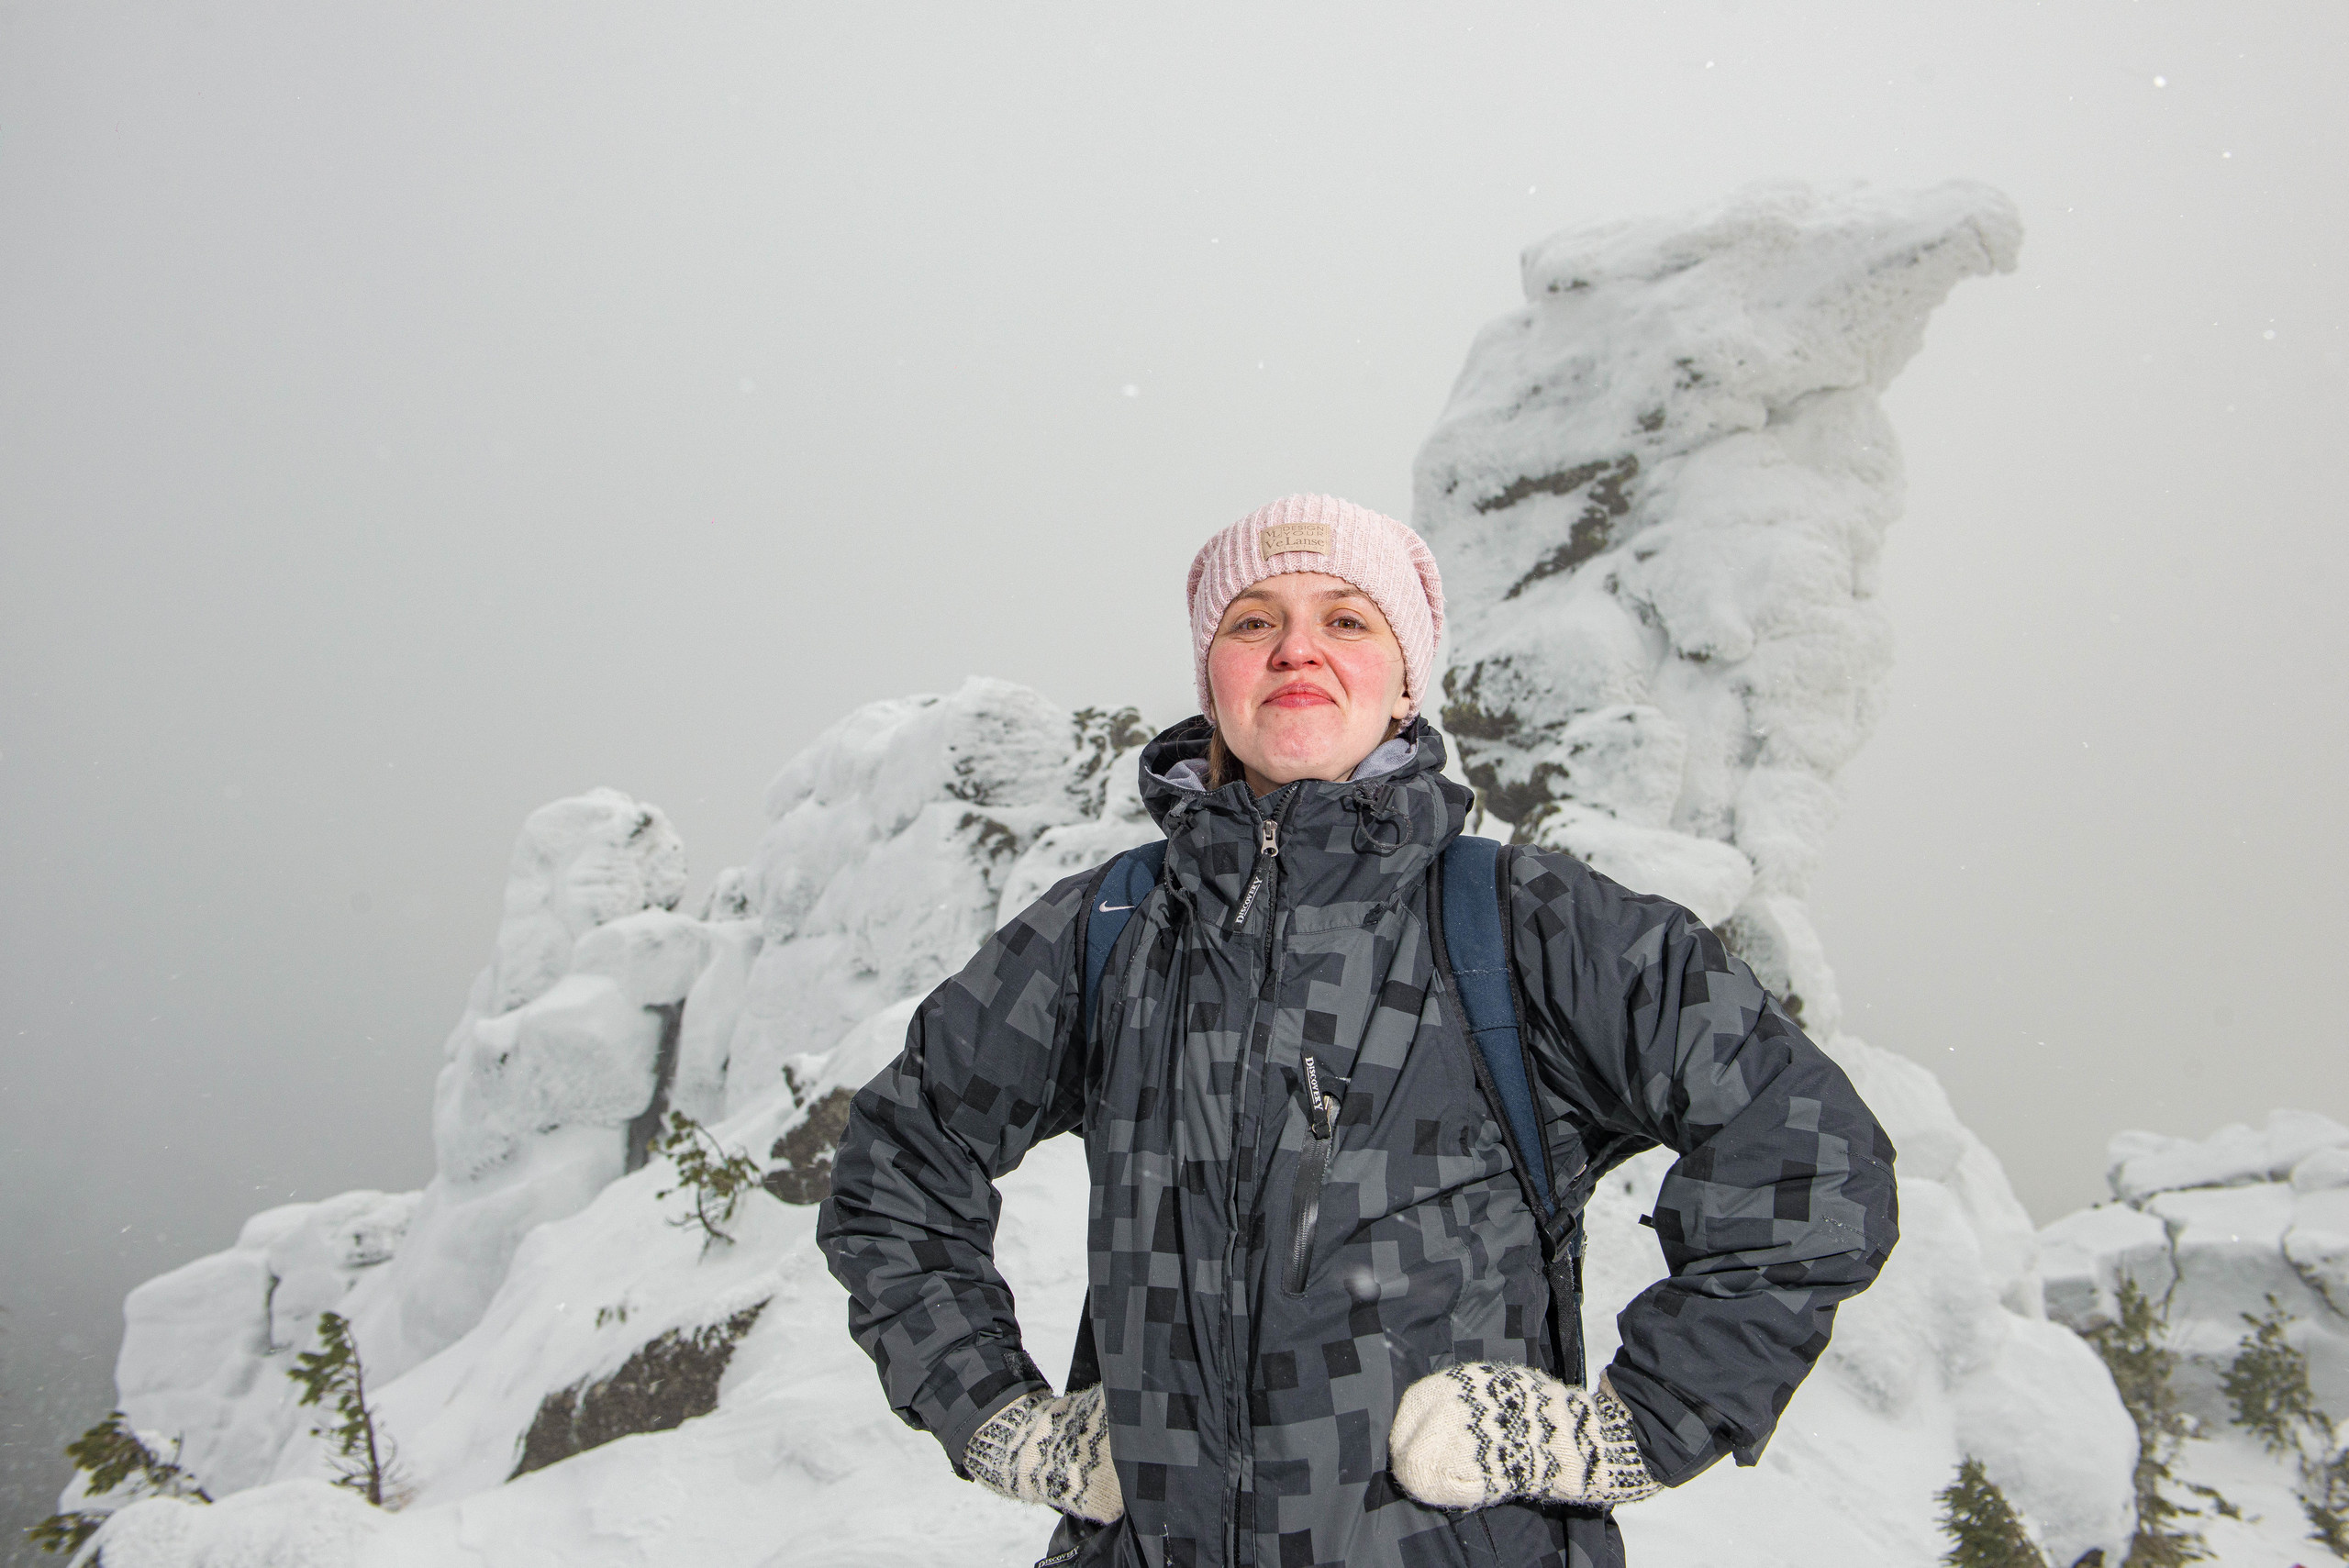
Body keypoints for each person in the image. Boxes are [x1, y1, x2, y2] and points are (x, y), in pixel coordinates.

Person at [818, 494, 1898, 1568]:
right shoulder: (1107, 926)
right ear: (1212, 678)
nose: (1297, 649)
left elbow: (1809, 1153)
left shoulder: (1521, 921)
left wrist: (1632, 1424)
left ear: (1402, 679)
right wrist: (1001, 1417)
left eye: (1346, 619)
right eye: (1252, 621)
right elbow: (897, 1165)